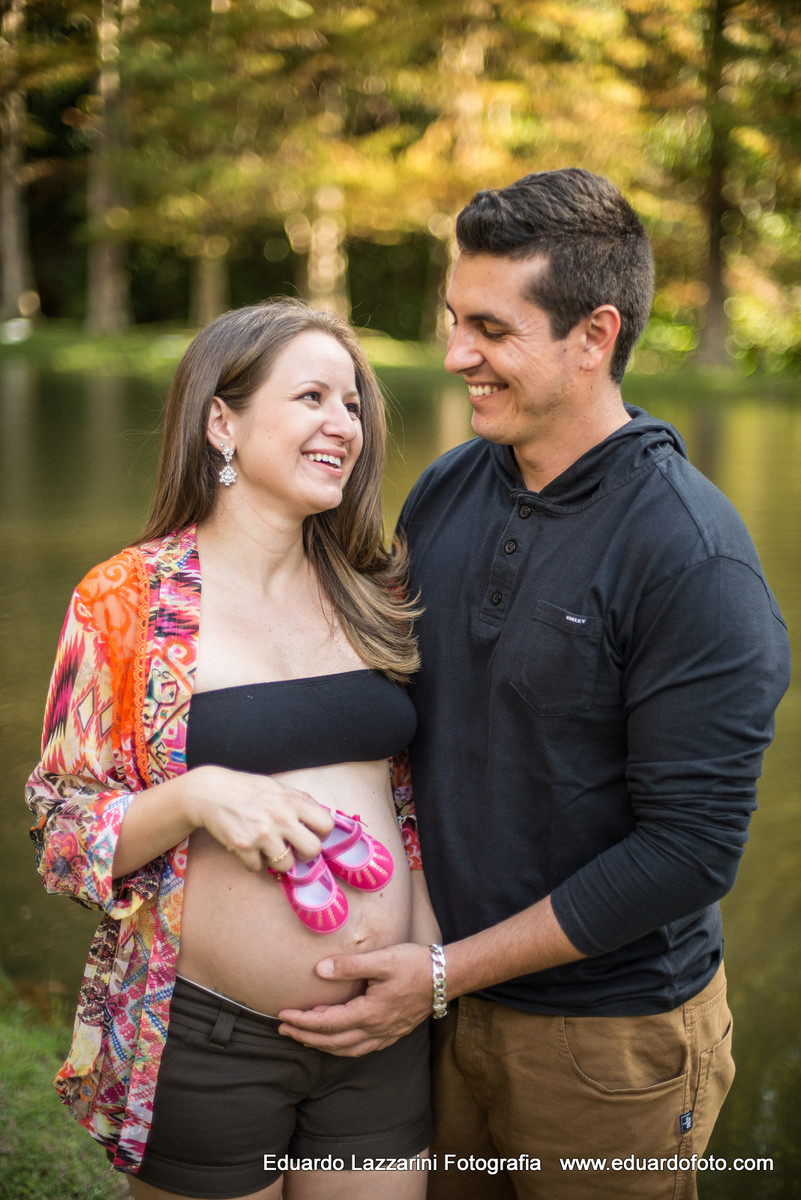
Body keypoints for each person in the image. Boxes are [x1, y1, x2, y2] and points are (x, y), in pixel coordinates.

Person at [276, 169, 792, 1199]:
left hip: (611, 1047)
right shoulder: (453, 483)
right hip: (440, 1010)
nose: (457, 354)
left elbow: (689, 852)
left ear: (594, 336)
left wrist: (438, 975)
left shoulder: (691, 556)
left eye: (492, 329)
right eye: (453, 320)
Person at [25, 298, 440, 1200]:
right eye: (312, 398)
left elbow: (414, 800)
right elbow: (59, 833)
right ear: (223, 420)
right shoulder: (127, 602)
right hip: (212, 1039)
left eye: (355, 403)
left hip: (383, 1032)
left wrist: (429, 969)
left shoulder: (376, 593)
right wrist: (194, 796)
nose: (345, 424)